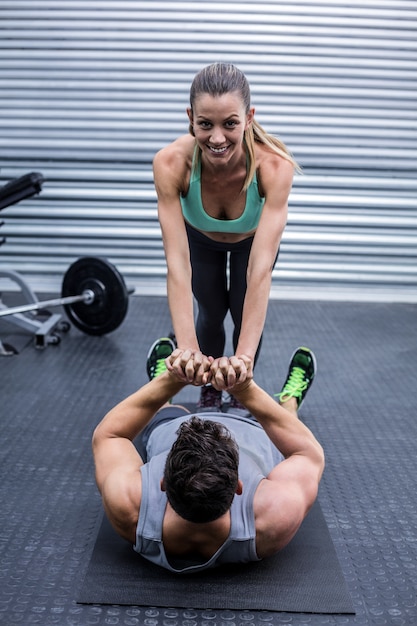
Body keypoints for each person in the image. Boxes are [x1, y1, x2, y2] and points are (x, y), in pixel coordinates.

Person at [92, 338, 324, 574]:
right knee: (284, 419)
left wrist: (172, 380)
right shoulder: (273, 516)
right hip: (258, 436)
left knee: (167, 413)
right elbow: (307, 453)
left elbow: (109, 436)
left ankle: (160, 387)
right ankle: (289, 401)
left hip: (174, 426)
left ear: (162, 483)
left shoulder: (129, 507)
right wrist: (245, 390)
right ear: (239, 487)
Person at [153, 62, 299, 411]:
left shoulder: (274, 167)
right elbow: (177, 263)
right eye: (205, 124)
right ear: (191, 117)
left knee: (241, 308)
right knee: (212, 311)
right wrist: (186, 347)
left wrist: (243, 360)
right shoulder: (171, 164)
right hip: (200, 241)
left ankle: (237, 389)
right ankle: (208, 389)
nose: (217, 138)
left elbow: (260, 271)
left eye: (229, 123)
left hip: (251, 244)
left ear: (248, 118)